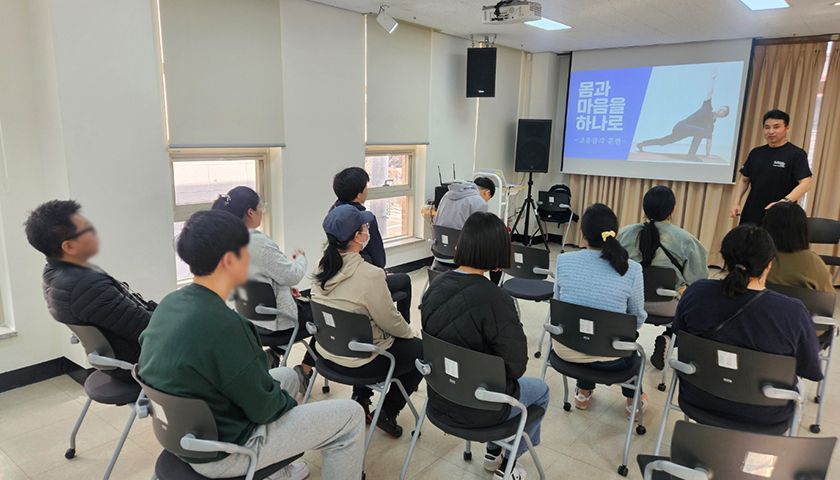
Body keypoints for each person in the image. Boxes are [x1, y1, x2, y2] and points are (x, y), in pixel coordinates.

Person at [138, 210, 364, 480]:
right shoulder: (225, 326)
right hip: (224, 453)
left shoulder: (171, 303)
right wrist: (288, 409)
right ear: (229, 260)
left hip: (182, 435)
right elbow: (265, 408)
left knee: (286, 376)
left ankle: (278, 473)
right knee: (350, 415)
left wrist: (280, 399)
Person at [422, 212, 548, 480]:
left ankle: (493, 452)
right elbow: (517, 366)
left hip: (440, 396)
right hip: (483, 409)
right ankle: (508, 460)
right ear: (499, 253)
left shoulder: (434, 285)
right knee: (541, 391)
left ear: (463, 244)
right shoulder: (497, 298)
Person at [672, 225, 822, 426]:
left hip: (699, 397)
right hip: (765, 412)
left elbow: (679, 338)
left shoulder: (695, 293)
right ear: (770, 264)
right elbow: (810, 370)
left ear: (724, 259)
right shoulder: (792, 312)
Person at [311, 204, 423, 438]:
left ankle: (361, 396)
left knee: (364, 334)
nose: (367, 231)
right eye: (364, 227)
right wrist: (410, 333)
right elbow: (390, 320)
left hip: (327, 353)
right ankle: (387, 411)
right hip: (361, 362)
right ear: (356, 237)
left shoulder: (322, 267)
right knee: (420, 351)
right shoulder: (370, 274)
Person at [25, 200, 155, 382]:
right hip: (141, 361)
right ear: (68, 246)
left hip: (117, 358)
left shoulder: (53, 272)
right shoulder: (86, 286)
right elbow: (150, 331)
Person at [212, 186, 314, 394]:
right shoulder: (257, 242)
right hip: (275, 322)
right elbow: (291, 275)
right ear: (250, 212)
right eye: (260, 208)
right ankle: (303, 370)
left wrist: (284, 290)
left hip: (249, 319)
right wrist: (301, 258)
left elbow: (258, 279)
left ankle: (272, 355)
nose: (262, 211)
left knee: (304, 304)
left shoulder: (224, 240)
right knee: (324, 315)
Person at [553, 204, 648, 414]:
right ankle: (634, 401)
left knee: (584, 330)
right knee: (629, 350)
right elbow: (637, 319)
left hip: (567, 350)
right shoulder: (632, 269)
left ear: (582, 234)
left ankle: (583, 391)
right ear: (615, 233)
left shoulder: (564, 261)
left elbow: (557, 307)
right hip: (612, 360)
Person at [617, 185, 708, 369]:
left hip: (628, 303)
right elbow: (698, 281)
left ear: (644, 208)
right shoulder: (686, 240)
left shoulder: (626, 233)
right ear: (673, 209)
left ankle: (628, 337)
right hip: (667, 307)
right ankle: (669, 336)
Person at [331, 167, 412, 322]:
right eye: (366, 187)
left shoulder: (333, 213)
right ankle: (404, 323)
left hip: (339, 275)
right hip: (364, 279)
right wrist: (381, 273)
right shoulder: (364, 219)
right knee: (404, 280)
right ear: (359, 193)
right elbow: (379, 260)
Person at [730, 109, 813, 226]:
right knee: (746, 243)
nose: (771, 131)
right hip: (751, 214)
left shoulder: (796, 154)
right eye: (767, 127)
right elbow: (744, 179)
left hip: (781, 215)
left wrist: (783, 202)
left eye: (776, 127)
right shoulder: (756, 152)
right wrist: (736, 202)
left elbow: (806, 183)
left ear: (787, 128)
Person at [637, 71, 730, 159]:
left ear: (723, 116)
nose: (721, 111)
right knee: (705, 132)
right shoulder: (707, 108)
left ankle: (641, 144)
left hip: (685, 132)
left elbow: (709, 141)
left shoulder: (710, 125)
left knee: (663, 142)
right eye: (722, 108)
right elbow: (710, 93)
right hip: (681, 126)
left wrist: (708, 155)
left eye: (724, 112)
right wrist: (713, 79)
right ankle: (691, 155)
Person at [433, 176, 502, 284]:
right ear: (487, 193)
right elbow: (479, 234)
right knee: (498, 253)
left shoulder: (447, 195)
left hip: (439, 250)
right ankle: (494, 289)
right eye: (488, 199)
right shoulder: (479, 201)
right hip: (460, 255)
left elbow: (436, 220)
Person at [763, 201, 834, 293]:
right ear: (803, 229)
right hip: (804, 306)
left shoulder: (756, 258)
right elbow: (828, 299)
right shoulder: (813, 263)